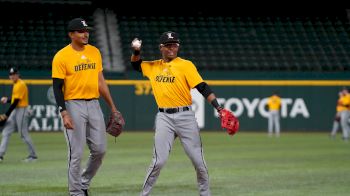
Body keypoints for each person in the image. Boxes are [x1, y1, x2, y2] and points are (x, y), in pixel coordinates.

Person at [130, 31, 224, 196]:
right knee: (158, 161)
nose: (172, 48)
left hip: (185, 116)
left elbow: (203, 87)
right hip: (164, 117)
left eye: (175, 45)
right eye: (168, 45)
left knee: (198, 162)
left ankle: (205, 194)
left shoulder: (186, 65)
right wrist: (136, 51)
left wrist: (219, 107)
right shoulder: (153, 66)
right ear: (161, 47)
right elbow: (136, 65)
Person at [52, 18, 123, 196]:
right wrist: (63, 112)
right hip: (73, 104)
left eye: (87, 31)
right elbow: (57, 87)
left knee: (100, 150)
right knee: (76, 153)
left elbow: (101, 82)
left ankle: (83, 182)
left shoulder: (94, 52)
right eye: (81, 31)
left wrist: (113, 107)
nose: (85, 34)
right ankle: (76, 192)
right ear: (71, 34)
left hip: (94, 104)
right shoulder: (61, 56)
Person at [0, 67, 38, 162]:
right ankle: (0, 154)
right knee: (6, 131)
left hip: (22, 110)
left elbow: (16, 102)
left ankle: (33, 156)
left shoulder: (20, 84)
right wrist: (7, 99)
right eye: (11, 75)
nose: (12, 76)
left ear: (18, 74)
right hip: (16, 109)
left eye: (14, 74)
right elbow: (15, 99)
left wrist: (6, 115)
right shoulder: (16, 84)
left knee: (23, 134)